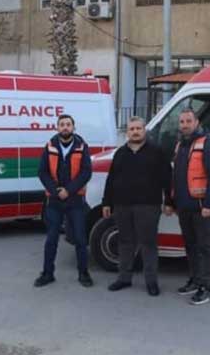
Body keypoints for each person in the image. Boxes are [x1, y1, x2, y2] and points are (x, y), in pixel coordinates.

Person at [102, 117, 171, 296]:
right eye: (132, 129)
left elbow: (167, 178)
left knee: (148, 244)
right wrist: (106, 202)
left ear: (144, 130)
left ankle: (151, 282)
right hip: (122, 205)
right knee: (125, 242)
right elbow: (111, 179)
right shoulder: (120, 153)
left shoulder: (157, 151)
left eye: (138, 128)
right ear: (127, 132)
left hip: (148, 205)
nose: (135, 132)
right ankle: (124, 278)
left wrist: (169, 201)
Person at [165, 108, 210, 305]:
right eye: (182, 122)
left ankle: (206, 288)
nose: (185, 125)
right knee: (190, 246)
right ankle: (195, 280)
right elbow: (175, 176)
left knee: (204, 247)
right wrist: (171, 202)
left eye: (189, 121)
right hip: (183, 205)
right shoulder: (180, 144)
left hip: (201, 206)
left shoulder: (207, 143)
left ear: (196, 122)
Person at [34, 114, 94, 288]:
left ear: (73, 127)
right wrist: (55, 191)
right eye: (62, 124)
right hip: (54, 201)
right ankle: (47, 274)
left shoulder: (82, 146)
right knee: (51, 239)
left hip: (75, 200)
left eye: (68, 124)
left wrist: (69, 190)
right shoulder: (50, 146)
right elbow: (42, 172)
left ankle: (83, 273)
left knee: (80, 239)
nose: (65, 127)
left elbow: (86, 172)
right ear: (57, 127)